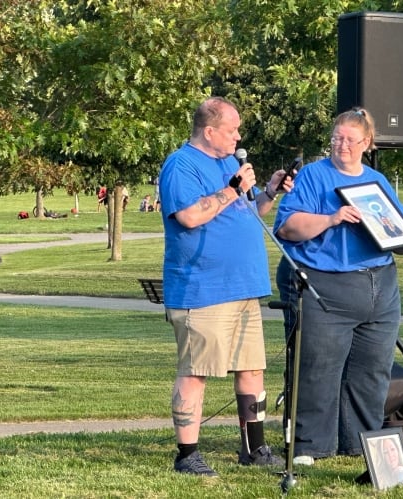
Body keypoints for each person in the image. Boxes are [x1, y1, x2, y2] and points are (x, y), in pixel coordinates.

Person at [273, 108, 403, 464]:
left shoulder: (376, 180)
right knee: (318, 369)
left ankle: (361, 443)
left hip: (380, 287)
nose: (341, 145)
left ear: (367, 143)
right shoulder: (314, 177)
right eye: (336, 138)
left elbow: (396, 227)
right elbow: (287, 228)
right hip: (326, 286)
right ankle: (310, 446)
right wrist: (331, 218)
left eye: (349, 139)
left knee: (372, 371)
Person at [159, 96, 292, 476]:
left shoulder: (230, 164)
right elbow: (188, 216)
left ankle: (254, 447)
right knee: (196, 370)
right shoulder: (180, 165)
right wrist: (233, 189)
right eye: (232, 129)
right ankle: (187, 455)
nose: (238, 136)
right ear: (210, 130)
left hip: (243, 286)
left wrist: (268, 192)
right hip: (203, 288)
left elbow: (248, 211)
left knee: (251, 369)